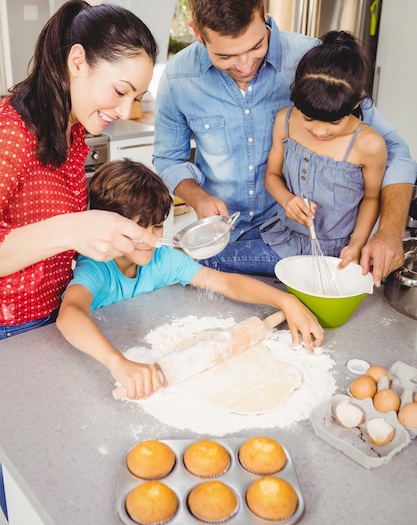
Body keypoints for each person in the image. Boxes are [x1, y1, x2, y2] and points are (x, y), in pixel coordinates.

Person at [153, 0, 416, 284]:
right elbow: (168, 158)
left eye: (255, 46)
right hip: (226, 241)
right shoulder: (179, 78)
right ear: (196, 32)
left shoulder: (314, 62)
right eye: (225, 57)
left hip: (299, 241)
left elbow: (394, 150)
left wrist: (389, 232)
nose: (244, 65)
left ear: (263, 9)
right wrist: (197, 197)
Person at [56, 159, 324, 400]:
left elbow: (225, 282)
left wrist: (285, 300)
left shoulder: (162, 259)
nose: (151, 238)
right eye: (139, 229)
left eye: (157, 226)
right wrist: (118, 363)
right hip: (98, 372)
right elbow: (69, 314)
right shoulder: (97, 268)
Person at [0, 0, 161, 339]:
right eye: (120, 91)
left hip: (48, 314)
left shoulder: (73, 133)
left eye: (137, 97)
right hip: (9, 327)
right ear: (77, 61)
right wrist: (74, 229)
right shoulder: (11, 132)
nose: (124, 109)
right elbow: (64, 230)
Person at [261, 30, 387, 267]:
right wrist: (288, 200)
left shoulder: (370, 145)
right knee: (213, 262)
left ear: (357, 101)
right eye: (308, 118)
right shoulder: (284, 121)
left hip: (337, 253)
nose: (319, 132)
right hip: (284, 242)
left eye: (334, 122)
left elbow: (372, 198)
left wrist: (357, 246)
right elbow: (271, 175)